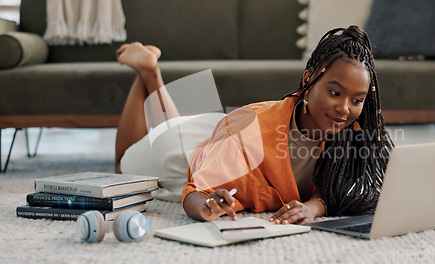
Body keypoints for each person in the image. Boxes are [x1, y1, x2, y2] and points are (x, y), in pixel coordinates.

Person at [115, 25, 393, 225]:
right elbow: (195, 191)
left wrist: (314, 207)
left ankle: (151, 73)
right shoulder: (249, 135)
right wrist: (207, 206)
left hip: (223, 130)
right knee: (122, 167)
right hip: (188, 154)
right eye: (334, 92)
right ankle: (148, 74)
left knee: (175, 125)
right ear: (308, 81)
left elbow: (336, 186)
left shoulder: (344, 130)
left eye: (357, 99)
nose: (344, 108)